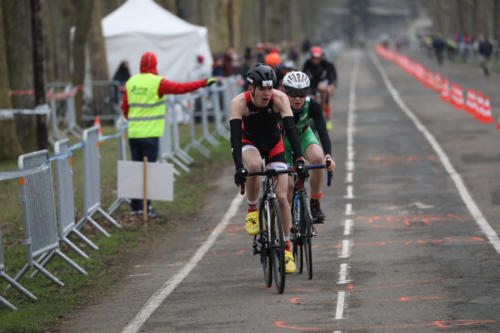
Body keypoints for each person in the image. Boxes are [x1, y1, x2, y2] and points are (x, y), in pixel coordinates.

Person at [229, 64, 309, 274]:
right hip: (250, 143)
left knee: (283, 197)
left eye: (270, 88)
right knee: (254, 165)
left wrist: (299, 159)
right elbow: (235, 139)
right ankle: (253, 211)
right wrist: (239, 168)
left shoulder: (280, 99)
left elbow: (291, 130)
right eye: (262, 89)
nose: (266, 94)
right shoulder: (239, 103)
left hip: (274, 143)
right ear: (251, 88)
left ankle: (286, 249)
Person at [121, 51, 219, 218]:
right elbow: (181, 89)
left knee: (136, 169)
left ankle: (136, 208)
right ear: (155, 65)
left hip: (134, 133)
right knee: (149, 171)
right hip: (150, 134)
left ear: (140, 65)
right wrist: (203, 83)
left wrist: (133, 121)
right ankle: (147, 208)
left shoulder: (131, 82)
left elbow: (125, 107)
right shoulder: (157, 82)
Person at [281, 71, 335, 223]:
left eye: (302, 93)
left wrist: (328, 155)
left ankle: (315, 201)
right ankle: (286, 221)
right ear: (285, 92)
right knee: (288, 188)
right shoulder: (277, 104)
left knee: (318, 158)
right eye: (293, 93)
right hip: (282, 140)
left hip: (304, 135)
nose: (297, 98)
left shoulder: (313, 106)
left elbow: (323, 131)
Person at [302, 46, 337, 131]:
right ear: (311, 57)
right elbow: (303, 76)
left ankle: (325, 116)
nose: (316, 60)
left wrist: (331, 86)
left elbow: (331, 77)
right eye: (314, 58)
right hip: (311, 86)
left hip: (322, 86)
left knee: (324, 93)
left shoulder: (327, 64)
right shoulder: (307, 64)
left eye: (318, 58)